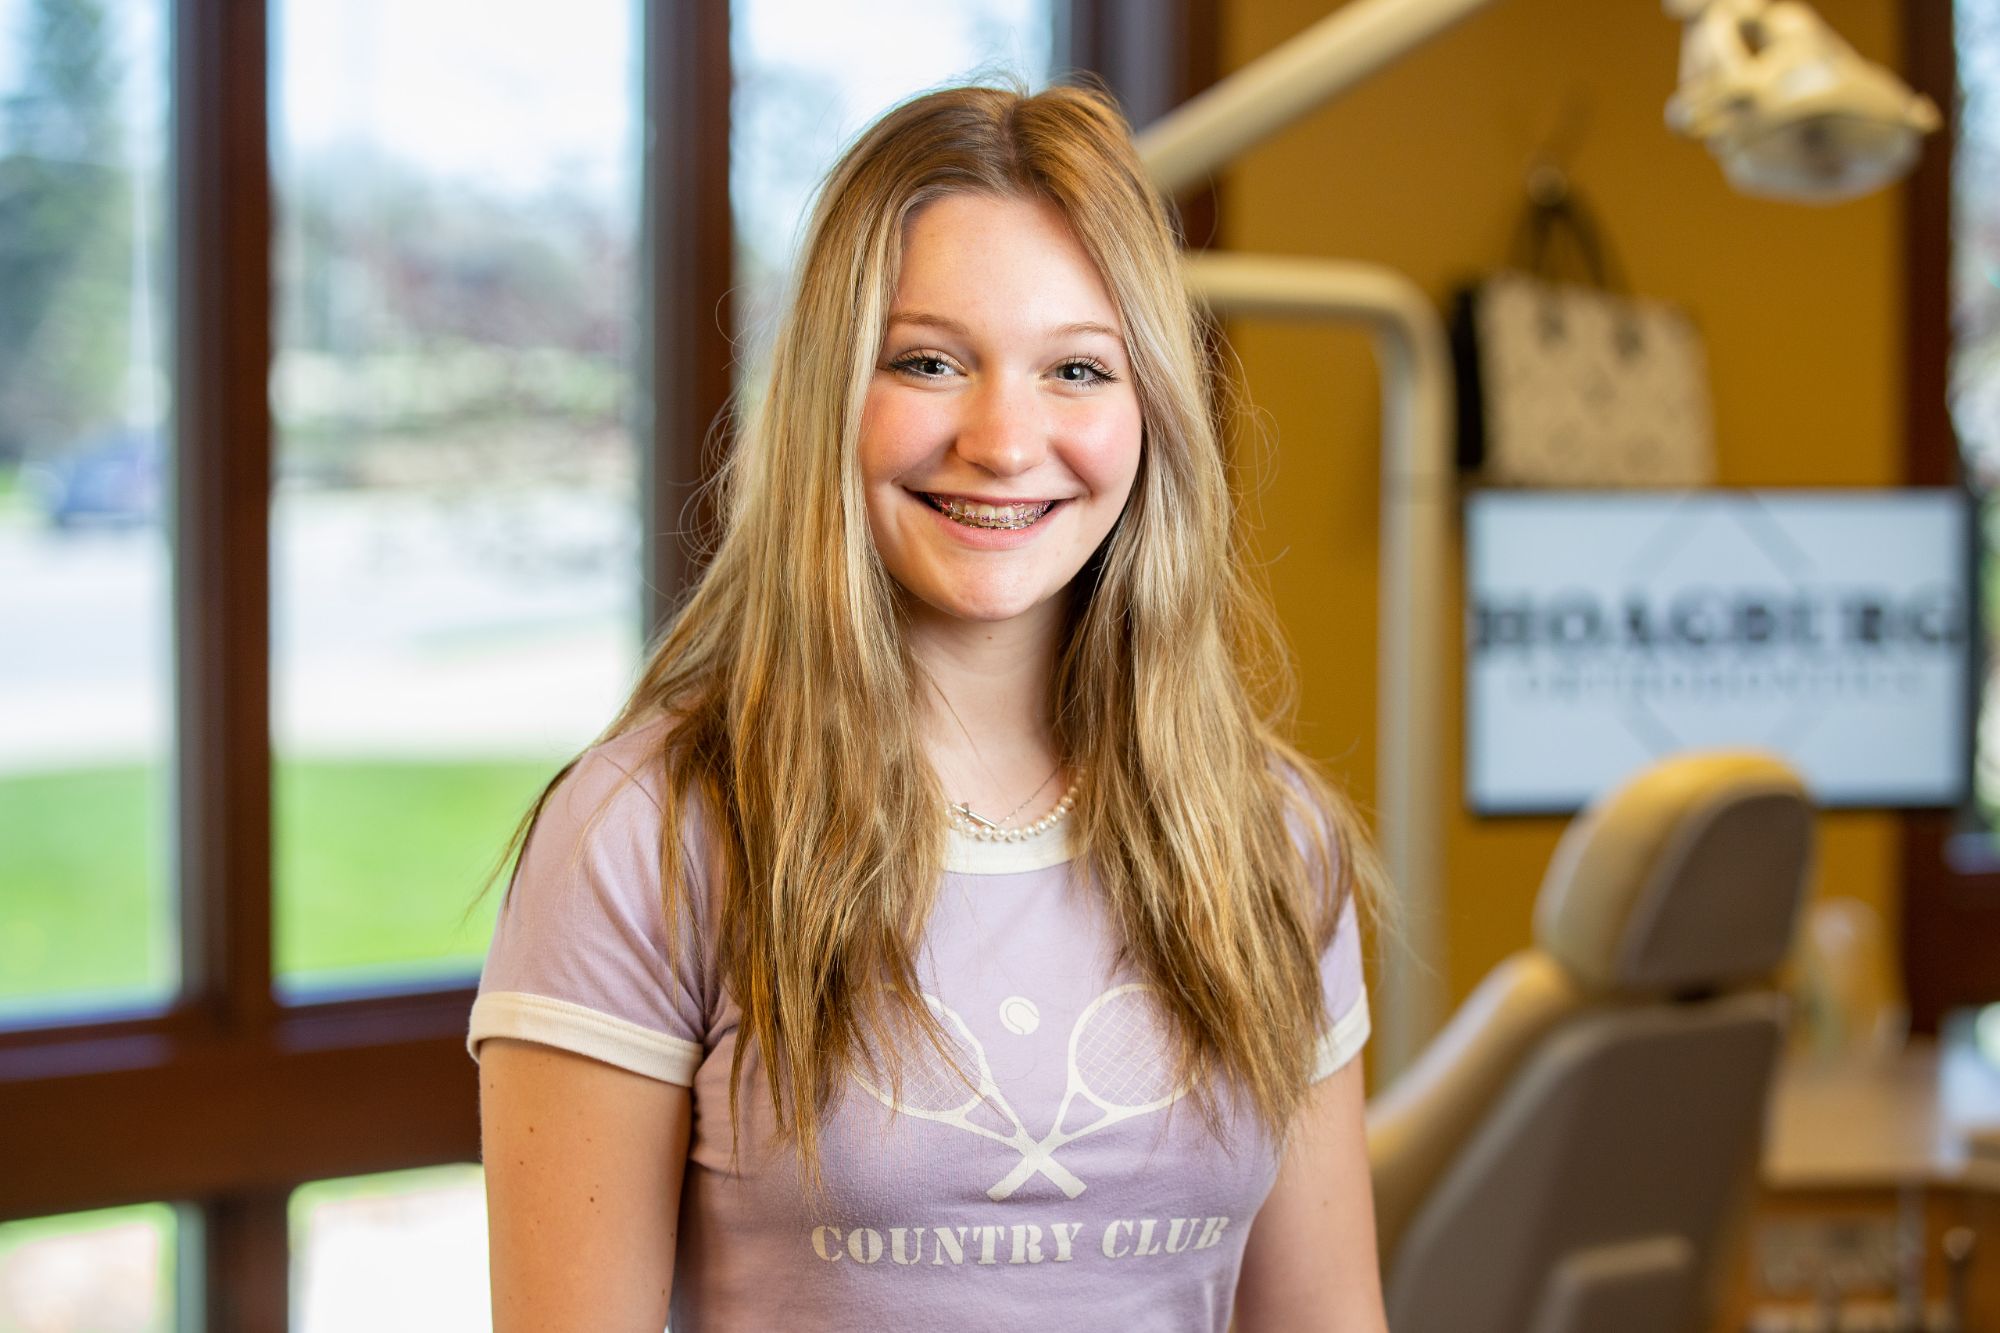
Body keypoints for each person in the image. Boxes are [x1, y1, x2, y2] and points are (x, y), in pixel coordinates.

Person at [469, 82, 1391, 1332]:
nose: (1004, 441)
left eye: (1076, 368)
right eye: (928, 362)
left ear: (1150, 413)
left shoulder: (1268, 835)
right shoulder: (645, 831)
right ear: (828, 396)